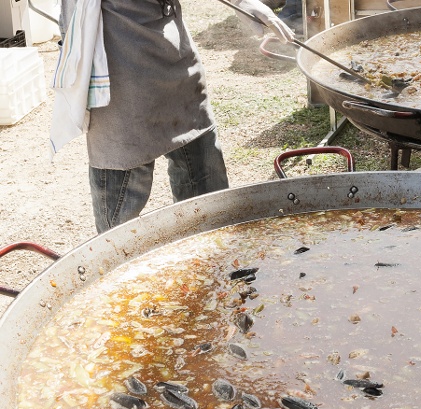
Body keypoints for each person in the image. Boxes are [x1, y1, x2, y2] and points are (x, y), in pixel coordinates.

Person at [57, 0, 294, 234]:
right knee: (118, 229)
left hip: (175, 52)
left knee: (208, 202)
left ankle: (212, 258)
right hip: (119, 64)